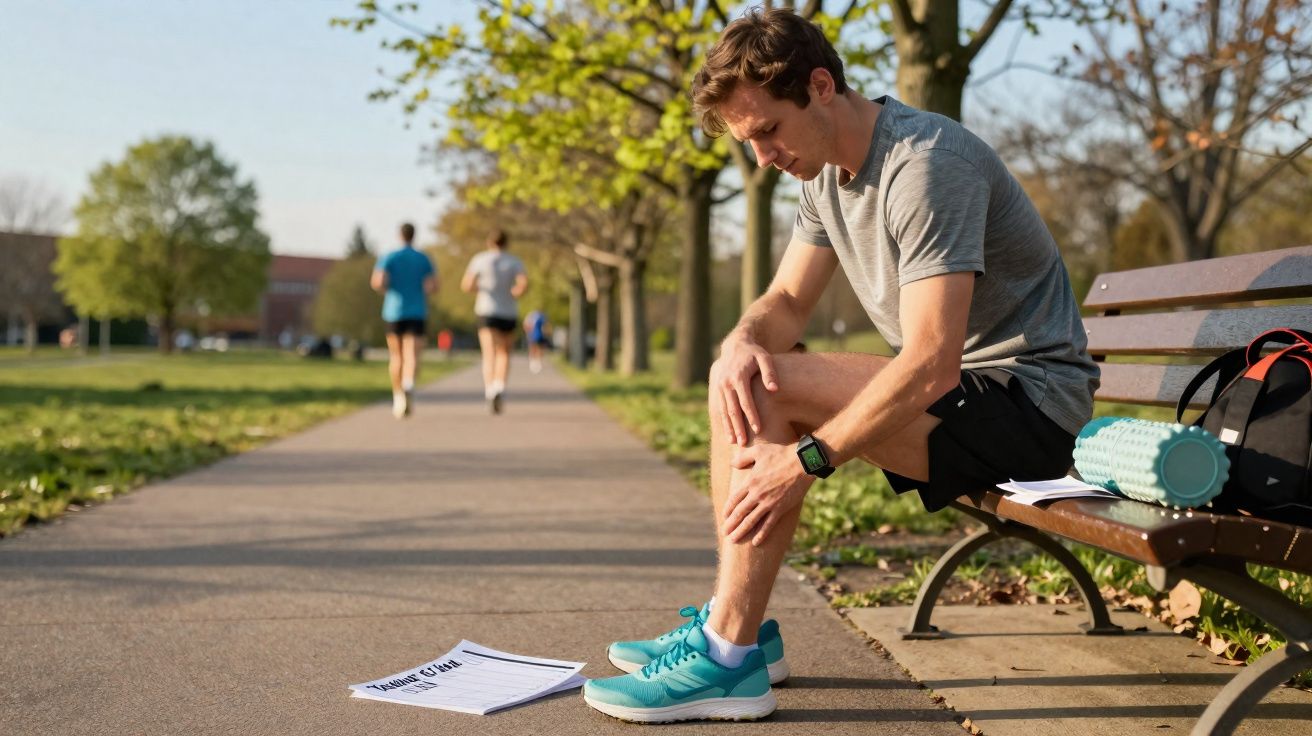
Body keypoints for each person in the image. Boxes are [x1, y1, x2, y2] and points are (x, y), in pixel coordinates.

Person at [580, 7, 1099, 724]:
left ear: (821, 86)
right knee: (746, 368)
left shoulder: (926, 166)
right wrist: (741, 338)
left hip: (1029, 409)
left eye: (767, 130)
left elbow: (930, 365)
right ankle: (738, 630)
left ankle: (729, 653)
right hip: (968, 398)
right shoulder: (823, 172)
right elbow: (786, 300)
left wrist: (806, 462)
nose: (762, 156)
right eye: (745, 140)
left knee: (775, 383)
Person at [371, 222, 437, 419]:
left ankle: (399, 396)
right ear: (414, 236)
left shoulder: (389, 257)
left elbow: (377, 282)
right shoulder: (423, 258)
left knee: (396, 356)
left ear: (399, 235)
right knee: (413, 355)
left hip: (394, 311)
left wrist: (388, 290)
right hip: (417, 311)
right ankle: (409, 384)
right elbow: (433, 286)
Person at [461, 229, 527, 414]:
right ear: (506, 243)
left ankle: (490, 389)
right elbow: (523, 285)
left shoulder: (480, 260)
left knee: (489, 353)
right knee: (504, 352)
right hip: (508, 312)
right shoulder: (514, 261)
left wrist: (482, 288)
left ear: (489, 242)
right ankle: (500, 386)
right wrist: (513, 292)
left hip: (486, 310)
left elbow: (467, 285)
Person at [523, 309, 550, 374]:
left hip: (540, 334)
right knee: (533, 348)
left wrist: (546, 332)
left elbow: (546, 325)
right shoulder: (531, 316)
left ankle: (537, 361)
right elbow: (526, 324)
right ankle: (533, 361)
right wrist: (527, 332)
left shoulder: (542, 316)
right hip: (532, 334)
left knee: (539, 348)